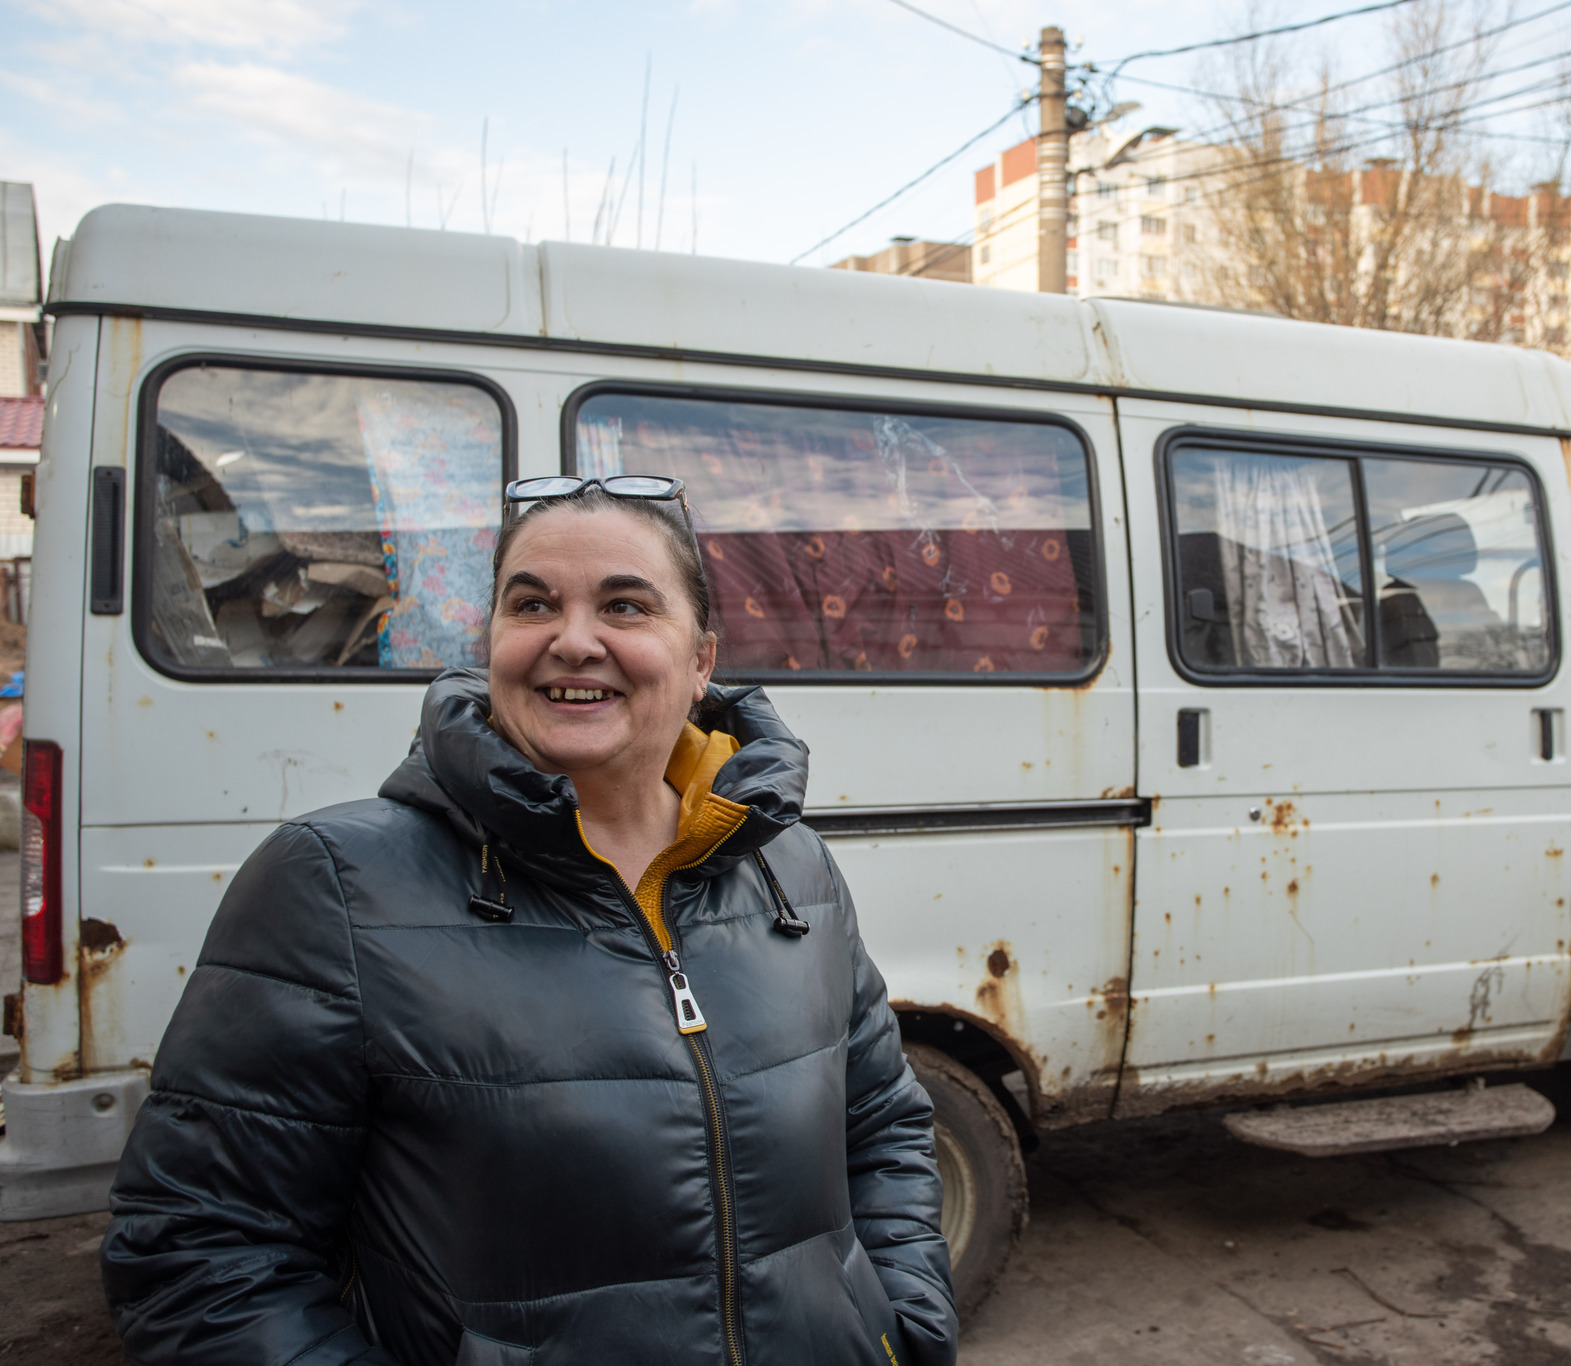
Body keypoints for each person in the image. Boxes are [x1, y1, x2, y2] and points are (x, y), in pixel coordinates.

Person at [102, 476, 956, 1365]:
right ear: (493, 643)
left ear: (702, 661)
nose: (573, 640)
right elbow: (204, 1253)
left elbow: (884, 1124)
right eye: (533, 603)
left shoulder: (791, 866)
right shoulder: (337, 885)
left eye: (624, 606)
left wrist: (903, 1326)